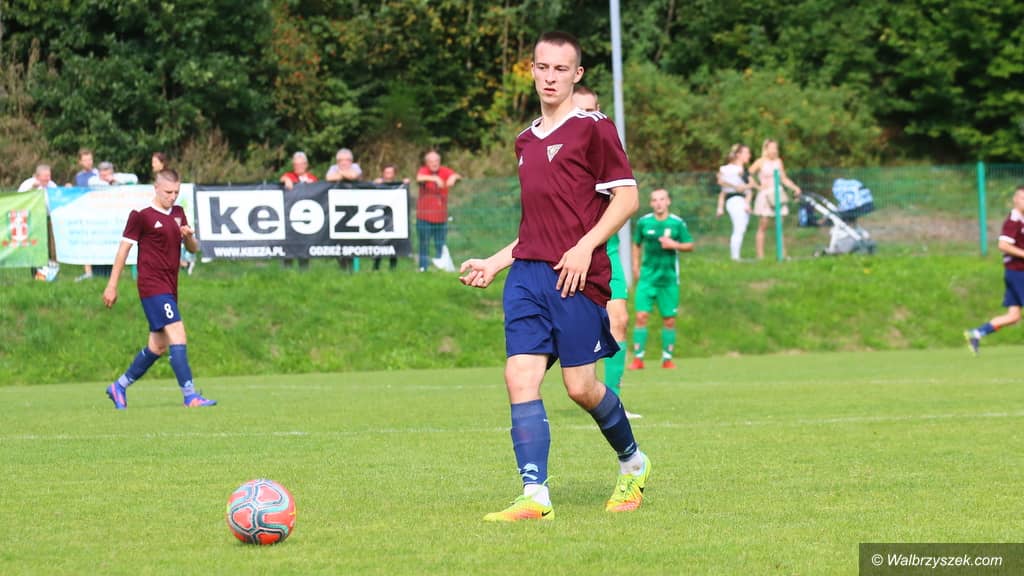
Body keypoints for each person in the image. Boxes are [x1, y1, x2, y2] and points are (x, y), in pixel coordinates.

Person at [459, 31, 649, 522]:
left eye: (561, 69)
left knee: (580, 388)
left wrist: (586, 246)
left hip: (575, 278)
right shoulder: (525, 140)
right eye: (542, 67)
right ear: (532, 70)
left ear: (576, 74)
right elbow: (535, 229)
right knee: (519, 375)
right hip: (527, 277)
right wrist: (494, 262)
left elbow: (627, 198)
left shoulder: (594, 128)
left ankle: (633, 462)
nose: (550, 77)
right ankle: (535, 494)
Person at [102, 169, 216, 409]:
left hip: (170, 286)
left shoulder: (178, 213)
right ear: (156, 188)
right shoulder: (141, 215)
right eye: (168, 192)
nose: (172, 197)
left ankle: (119, 386)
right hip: (152, 286)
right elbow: (123, 251)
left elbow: (193, 249)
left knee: (158, 346)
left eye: (176, 192)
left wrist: (188, 237)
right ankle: (190, 396)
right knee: (177, 333)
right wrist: (112, 285)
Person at [573, 85, 640, 419]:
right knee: (566, 331)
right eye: (580, 112)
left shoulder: (608, 151)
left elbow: (625, 198)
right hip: (567, 252)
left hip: (606, 250)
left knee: (619, 320)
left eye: (592, 111)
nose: (588, 118)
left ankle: (612, 403)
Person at [629, 188, 694, 370]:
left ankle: (667, 359)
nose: (658, 203)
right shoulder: (644, 222)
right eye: (655, 200)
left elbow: (690, 245)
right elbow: (636, 244)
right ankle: (638, 359)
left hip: (668, 279)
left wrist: (674, 244)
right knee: (641, 316)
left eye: (662, 199)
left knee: (669, 320)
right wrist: (635, 266)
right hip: (647, 278)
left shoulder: (677, 223)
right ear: (651, 203)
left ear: (668, 202)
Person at [965, 185, 1024, 355]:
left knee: (1013, 316)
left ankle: (977, 333)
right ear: (1015, 200)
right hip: (1018, 273)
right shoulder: (1013, 221)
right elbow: (1003, 245)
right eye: (1023, 198)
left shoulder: (1021, 220)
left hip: (1014, 272)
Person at [749, 139, 801, 259]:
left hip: (778, 194)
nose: (774, 150)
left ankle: (782, 254)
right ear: (766, 149)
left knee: (779, 225)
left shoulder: (778, 162)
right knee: (763, 225)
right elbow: (749, 174)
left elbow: (783, 178)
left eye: (775, 148)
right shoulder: (760, 162)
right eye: (771, 148)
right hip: (765, 196)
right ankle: (760, 256)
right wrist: (757, 186)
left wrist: (794, 187)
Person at [415, 150, 460, 271]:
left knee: (440, 243)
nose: (434, 163)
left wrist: (453, 177)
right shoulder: (424, 171)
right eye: (431, 161)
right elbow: (419, 178)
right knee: (424, 244)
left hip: (441, 217)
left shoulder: (444, 170)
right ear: (427, 163)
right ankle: (423, 268)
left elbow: (457, 176)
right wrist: (434, 178)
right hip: (424, 217)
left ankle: (440, 267)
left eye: (436, 161)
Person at [18, 164, 60, 281]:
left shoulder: (52, 185)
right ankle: (36, 274)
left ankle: (51, 274)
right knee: (36, 247)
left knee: (50, 249)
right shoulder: (27, 184)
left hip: (49, 219)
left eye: (49, 176)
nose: (48, 179)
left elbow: (58, 198)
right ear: (37, 176)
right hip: (33, 220)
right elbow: (19, 201)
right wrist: (32, 189)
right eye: (45, 176)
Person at [716, 144, 755, 261]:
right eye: (746, 153)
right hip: (735, 200)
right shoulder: (729, 169)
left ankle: (736, 256)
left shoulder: (743, 171)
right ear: (738, 154)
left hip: (742, 199)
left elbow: (750, 185)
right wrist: (736, 187)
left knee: (741, 228)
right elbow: (722, 185)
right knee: (739, 228)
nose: (749, 156)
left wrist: (745, 187)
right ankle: (735, 257)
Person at [280, 152, 318, 268]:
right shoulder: (289, 176)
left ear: (306, 165)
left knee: (304, 245)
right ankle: (287, 271)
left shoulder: (312, 178)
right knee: (288, 245)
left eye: (301, 164)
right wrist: (286, 180)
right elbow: (282, 178)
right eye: (296, 165)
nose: (298, 167)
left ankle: (304, 271)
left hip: (306, 217)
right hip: (290, 216)